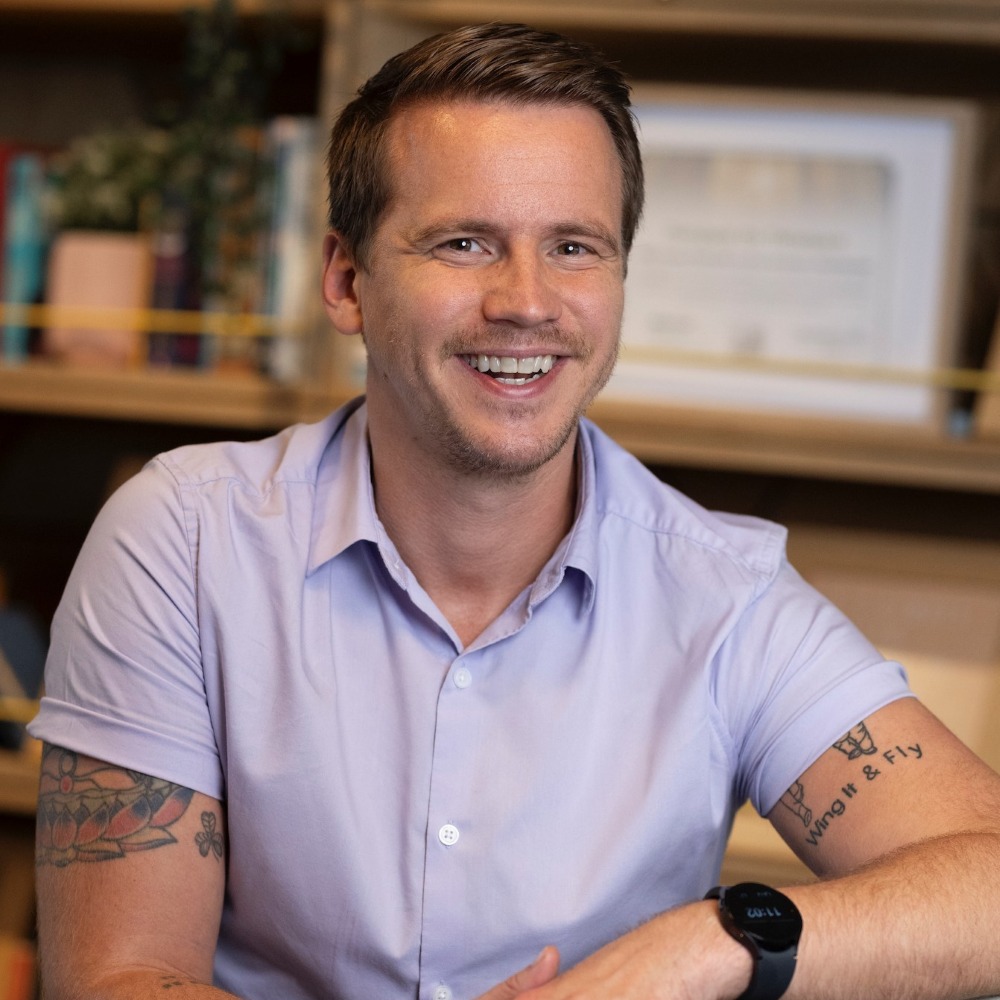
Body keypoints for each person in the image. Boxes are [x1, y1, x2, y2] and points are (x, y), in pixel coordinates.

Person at [29, 21, 1000, 1000]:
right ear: (345, 279)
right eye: (464, 243)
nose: (526, 302)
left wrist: (705, 947)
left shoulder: (727, 598)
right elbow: (118, 977)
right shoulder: (183, 539)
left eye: (574, 247)